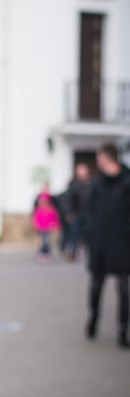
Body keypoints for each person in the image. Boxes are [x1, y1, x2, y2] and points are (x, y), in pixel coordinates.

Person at [85, 143, 130, 349]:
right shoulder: (97, 184)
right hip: (100, 243)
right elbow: (90, 213)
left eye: (99, 157)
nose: (97, 161)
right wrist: (90, 238)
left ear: (106, 157)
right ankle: (93, 319)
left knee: (123, 289)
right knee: (96, 286)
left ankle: (123, 331)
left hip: (122, 243)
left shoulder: (127, 182)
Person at [66, 163, 92, 262]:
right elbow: (68, 199)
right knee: (74, 232)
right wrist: (69, 212)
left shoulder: (91, 183)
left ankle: (84, 249)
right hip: (76, 213)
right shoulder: (73, 184)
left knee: (86, 233)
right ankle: (73, 251)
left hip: (88, 213)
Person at [32, 184, 61, 263]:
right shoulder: (39, 210)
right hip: (41, 228)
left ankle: (45, 252)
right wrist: (36, 224)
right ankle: (43, 252)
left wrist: (55, 225)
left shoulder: (51, 209)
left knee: (46, 241)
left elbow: (55, 218)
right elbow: (36, 218)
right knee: (43, 241)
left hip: (48, 228)